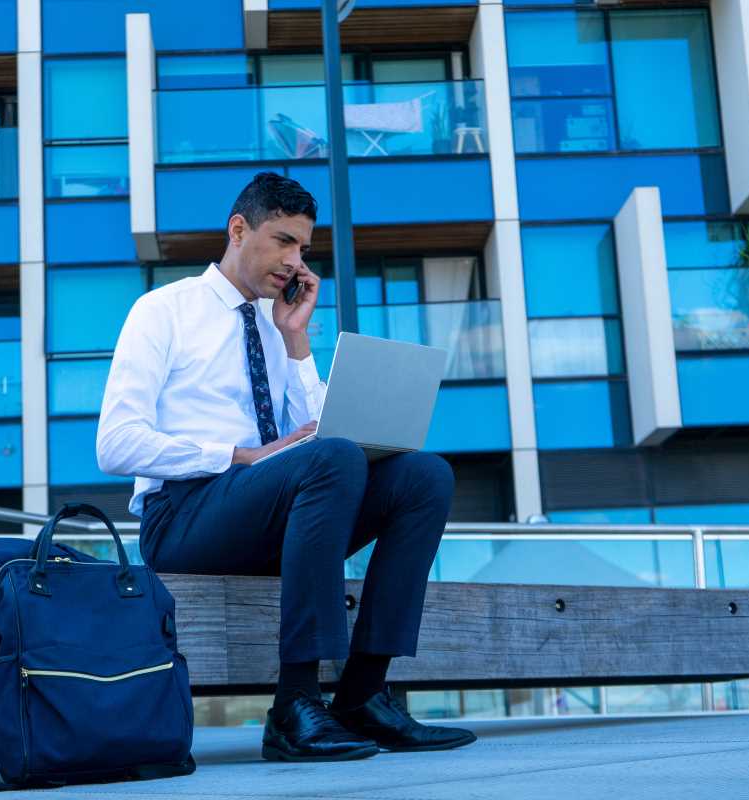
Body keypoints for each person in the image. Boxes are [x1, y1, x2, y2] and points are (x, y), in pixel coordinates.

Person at [96, 171, 475, 762]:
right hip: (185, 519)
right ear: (239, 229)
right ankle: (295, 704)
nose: (295, 261)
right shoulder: (163, 310)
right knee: (332, 460)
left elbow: (332, 435)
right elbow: (115, 444)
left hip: (276, 517)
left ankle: (364, 694)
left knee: (424, 476)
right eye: (282, 241)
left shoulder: (280, 323)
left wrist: (297, 341)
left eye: (303, 246)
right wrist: (237, 455)